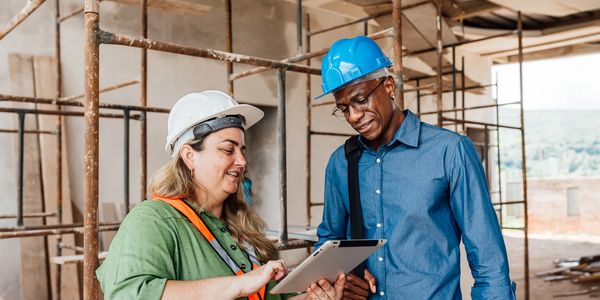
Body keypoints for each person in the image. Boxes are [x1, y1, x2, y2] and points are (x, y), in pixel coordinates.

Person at [314, 36, 516, 299]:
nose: (353, 116)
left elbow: (487, 255)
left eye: (361, 100)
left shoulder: (450, 151)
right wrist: (343, 274)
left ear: (388, 86)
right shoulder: (341, 162)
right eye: (343, 108)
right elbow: (329, 240)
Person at [97, 90, 345, 300]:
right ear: (189, 155)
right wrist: (238, 284)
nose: (242, 161)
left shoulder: (238, 225)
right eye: (228, 149)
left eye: (242, 150)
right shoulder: (153, 220)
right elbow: (128, 293)